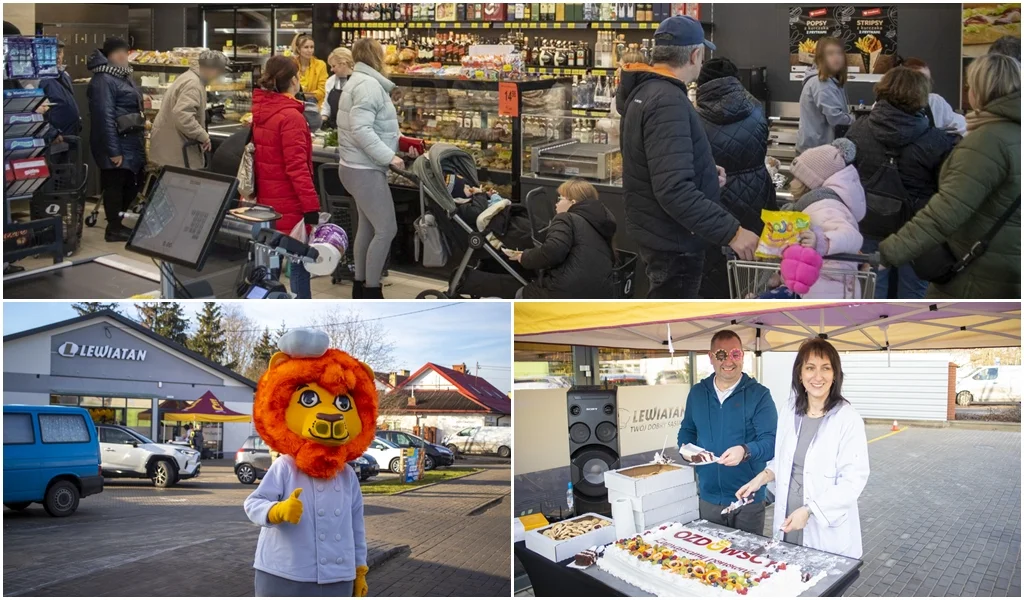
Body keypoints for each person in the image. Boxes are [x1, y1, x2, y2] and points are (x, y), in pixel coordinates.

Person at [616, 15, 759, 299]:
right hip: (676, 241)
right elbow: (673, 189)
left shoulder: (645, 91)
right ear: (695, 55)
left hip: (660, 233)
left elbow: (656, 162)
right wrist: (732, 232)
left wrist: (703, 169)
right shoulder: (667, 101)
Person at [879, 53, 1020, 299]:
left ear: (980, 90)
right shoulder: (1011, 135)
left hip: (977, 272)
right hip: (1007, 264)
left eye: (969, 86)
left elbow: (944, 213)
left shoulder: (986, 142)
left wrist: (886, 253)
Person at [736, 338, 869, 559]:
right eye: (810, 368)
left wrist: (810, 510)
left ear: (835, 375)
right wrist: (761, 478)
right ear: (800, 374)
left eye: (826, 368)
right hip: (788, 520)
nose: (818, 376)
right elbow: (783, 461)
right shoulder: (789, 410)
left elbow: (853, 481)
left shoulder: (848, 419)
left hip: (825, 528)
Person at [846, 67, 958, 299]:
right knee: (913, 297)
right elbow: (947, 189)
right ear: (921, 96)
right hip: (916, 232)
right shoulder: (936, 141)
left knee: (872, 291)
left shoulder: (858, 129)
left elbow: (846, 176)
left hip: (869, 225)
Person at [676, 330, 777, 535]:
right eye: (721, 355)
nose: (728, 361)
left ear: (743, 355)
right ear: (711, 358)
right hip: (709, 498)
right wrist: (686, 450)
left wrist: (745, 450)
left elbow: (772, 442)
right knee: (710, 561)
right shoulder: (697, 393)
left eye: (735, 354)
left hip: (748, 499)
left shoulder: (760, 395)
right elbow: (687, 431)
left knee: (748, 561)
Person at [694, 57, 778, 298]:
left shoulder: (693, 119)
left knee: (714, 273)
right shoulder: (757, 110)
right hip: (756, 198)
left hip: (714, 204)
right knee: (752, 277)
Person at [336, 38, 402, 300]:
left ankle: (360, 285)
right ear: (377, 57)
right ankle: (373, 291)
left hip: (352, 166)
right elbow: (361, 129)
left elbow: (371, 125)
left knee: (368, 228)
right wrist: (390, 157)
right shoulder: (369, 85)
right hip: (364, 168)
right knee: (387, 229)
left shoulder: (357, 81)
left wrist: (401, 142)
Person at [251, 55, 321, 299]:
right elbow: (297, 168)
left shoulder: (262, 110)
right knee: (299, 264)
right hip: (290, 206)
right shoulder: (291, 117)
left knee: (269, 269)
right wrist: (311, 207)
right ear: (294, 80)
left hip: (266, 204)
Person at [503, 178, 617, 299]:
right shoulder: (599, 223)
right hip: (600, 293)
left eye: (560, 198)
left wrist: (524, 257)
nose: (556, 204)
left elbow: (553, 251)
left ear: (572, 202)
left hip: (565, 292)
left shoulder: (566, 218)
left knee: (521, 293)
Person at [783, 138, 866, 299]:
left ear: (810, 182)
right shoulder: (814, 206)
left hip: (831, 293)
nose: (791, 183)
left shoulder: (826, 207)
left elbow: (852, 237)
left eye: (795, 178)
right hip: (821, 289)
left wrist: (822, 241)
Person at [87, 37, 146, 242]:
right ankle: (113, 228)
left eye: (125, 51)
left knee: (130, 183)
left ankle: (118, 223)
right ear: (108, 55)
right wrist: (113, 151)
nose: (122, 56)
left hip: (130, 139)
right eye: (117, 52)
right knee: (115, 185)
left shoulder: (124, 76)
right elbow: (104, 116)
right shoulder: (103, 80)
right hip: (116, 143)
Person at [148, 50, 230, 169]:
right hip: (178, 152)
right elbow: (183, 116)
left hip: (170, 149)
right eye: (220, 72)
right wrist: (203, 136)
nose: (218, 76)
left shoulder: (189, 77)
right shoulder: (193, 84)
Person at [797, 37, 854, 153]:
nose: (836, 57)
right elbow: (836, 118)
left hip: (814, 149)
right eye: (830, 53)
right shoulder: (823, 83)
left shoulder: (831, 81)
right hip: (817, 153)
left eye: (839, 53)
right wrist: (856, 120)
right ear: (821, 58)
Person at [900, 57, 967, 136]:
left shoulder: (934, 101)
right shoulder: (891, 107)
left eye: (928, 81)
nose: (926, 86)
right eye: (922, 81)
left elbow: (962, 126)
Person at [37, 41, 81, 145]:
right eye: (52, 52)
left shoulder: (64, 76)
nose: (57, 56)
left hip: (70, 135)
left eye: (60, 52)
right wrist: (51, 133)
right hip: (53, 140)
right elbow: (36, 112)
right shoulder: (39, 80)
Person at [321, 47, 355, 130]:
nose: (331, 69)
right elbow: (326, 107)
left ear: (343, 64)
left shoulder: (357, 81)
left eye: (333, 66)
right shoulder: (330, 81)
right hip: (333, 128)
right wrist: (322, 120)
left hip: (353, 129)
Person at [292, 34, 328, 108]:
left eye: (312, 47)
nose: (310, 50)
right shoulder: (291, 64)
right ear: (298, 49)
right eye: (306, 47)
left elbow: (322, 91)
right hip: (294, 104)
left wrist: (301, 95)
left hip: (315, 105)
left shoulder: (321, 65)